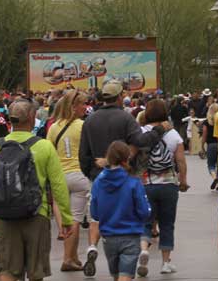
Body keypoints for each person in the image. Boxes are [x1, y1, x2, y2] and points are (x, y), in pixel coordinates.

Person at [79, 80, 170, 278]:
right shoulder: (125, 118)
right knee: (125, 211)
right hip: (125, 176)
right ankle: (127, 254)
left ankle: (93, 245)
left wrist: (92, 173)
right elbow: (141, 141)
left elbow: (83, 154)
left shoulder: (90, 120)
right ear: (120, 96)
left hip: (99, 177)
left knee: (96, 215)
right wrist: (159, 130)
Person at [0, 100, 72, 281]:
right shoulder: (45, 146)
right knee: (36, 271)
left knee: (7, 269)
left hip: (6, 217)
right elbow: (59, 186)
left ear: (10, 120)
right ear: (31, 117)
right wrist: (66, 219)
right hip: (37, 214)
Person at [136, 98, 188, 277]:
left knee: (145, 221)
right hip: (168, 186)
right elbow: (180, 161)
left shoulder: (141, 132)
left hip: (146, 184)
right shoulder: (174, 135)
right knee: (167, 223)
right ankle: (166, 262)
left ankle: (143, 250)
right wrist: (183, 180)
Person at [90, 141, 152, 281]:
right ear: (127, 158)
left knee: (116, 275)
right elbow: (144, 211)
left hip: (109, 236)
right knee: (125, 276)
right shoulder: (133, 182)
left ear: (108, 157)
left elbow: (94, 213)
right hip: (130, 234)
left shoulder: (98, 182)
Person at [47, 89, 89, 272]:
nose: (85, 107)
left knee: (67, 219)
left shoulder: (54, 127)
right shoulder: (82, 125)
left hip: (59, 176)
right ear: (73, 106)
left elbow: (49, 152)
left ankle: (73, 256)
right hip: (79, 175)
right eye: (82, 104)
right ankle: (68, 258)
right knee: (75, 219)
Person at [204, 103, 218, 182]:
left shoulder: (207, 122)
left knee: (211, 165)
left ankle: (214, 178)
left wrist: (202, 145)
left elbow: (204, 133)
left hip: (211, 144)